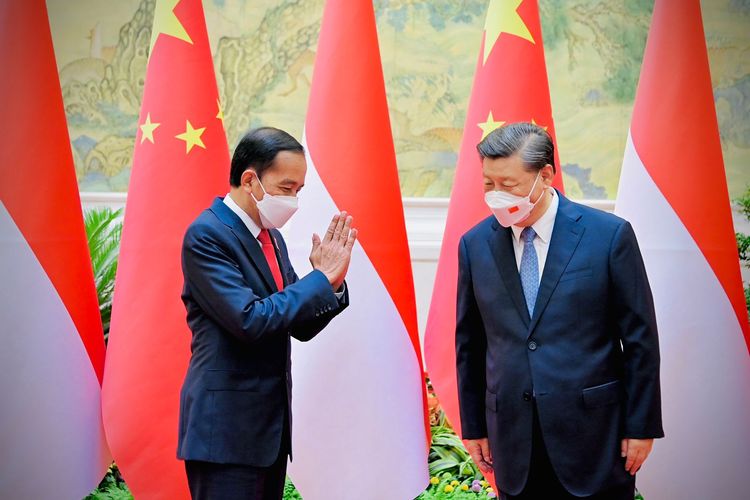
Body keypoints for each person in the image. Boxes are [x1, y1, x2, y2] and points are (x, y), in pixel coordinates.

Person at [455, 122, 663, 499]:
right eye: (488, 184)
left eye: (509, 184)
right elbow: (470, 344)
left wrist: (641, 426)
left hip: (595, 436)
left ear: (545, 175)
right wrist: (474, 427)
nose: (497, 195)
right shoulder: (475, 245)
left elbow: (639, 340)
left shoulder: (608, 236)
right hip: (514, 441)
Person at [177, 127, 356, 500]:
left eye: (298, 192)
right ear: (250, 179)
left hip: (268, 433)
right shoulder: (207, 234)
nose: (293, 200)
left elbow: (298, 325)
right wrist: (319, 280)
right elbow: (250, 320)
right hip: (225, 435)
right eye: (286, 188)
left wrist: (332, 285)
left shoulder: (270, 236)